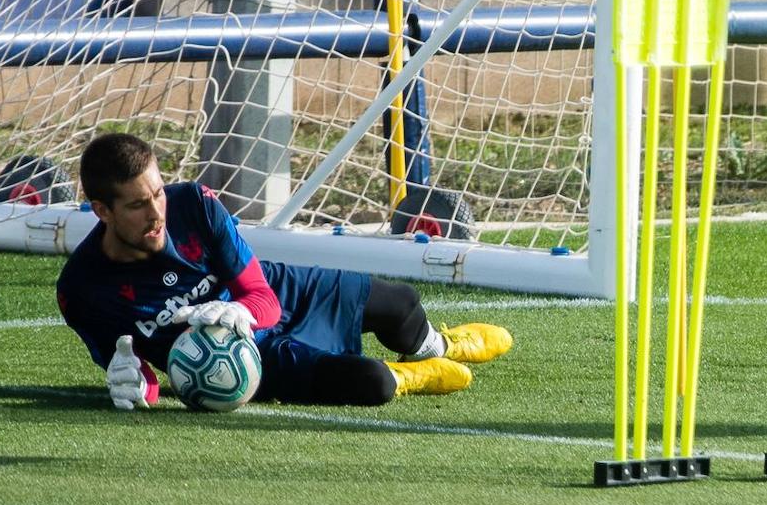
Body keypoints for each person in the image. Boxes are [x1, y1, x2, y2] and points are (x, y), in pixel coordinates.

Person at [56, 132, 512, 411]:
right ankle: (412, 375)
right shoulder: (82, 289)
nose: (157, 212)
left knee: (402, 303)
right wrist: (139, 388)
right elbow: (132, 371)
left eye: (158, 193)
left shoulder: (194, 204)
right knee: (371, 383)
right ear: (102, 211)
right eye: (137, 204)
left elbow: (262, 296)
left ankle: (439, 344)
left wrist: (239, 310)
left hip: (274, 296)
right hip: (243, 361)